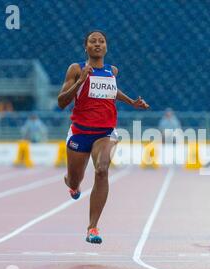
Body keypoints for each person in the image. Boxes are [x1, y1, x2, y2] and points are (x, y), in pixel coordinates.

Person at [57, 30, 149, 245]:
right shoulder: (76, 69)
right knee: (74, 179)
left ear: (106, 47)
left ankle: (92, 227)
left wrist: (131, 102)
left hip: (105, 132)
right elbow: (61, 102)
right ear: (86, 47)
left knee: (102, 169)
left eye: (101, 41)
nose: (97, 44)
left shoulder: (112, 71)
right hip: (80, 132)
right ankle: (71, 183)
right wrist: (80, 81)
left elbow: (112, 90)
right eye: (93, 41)